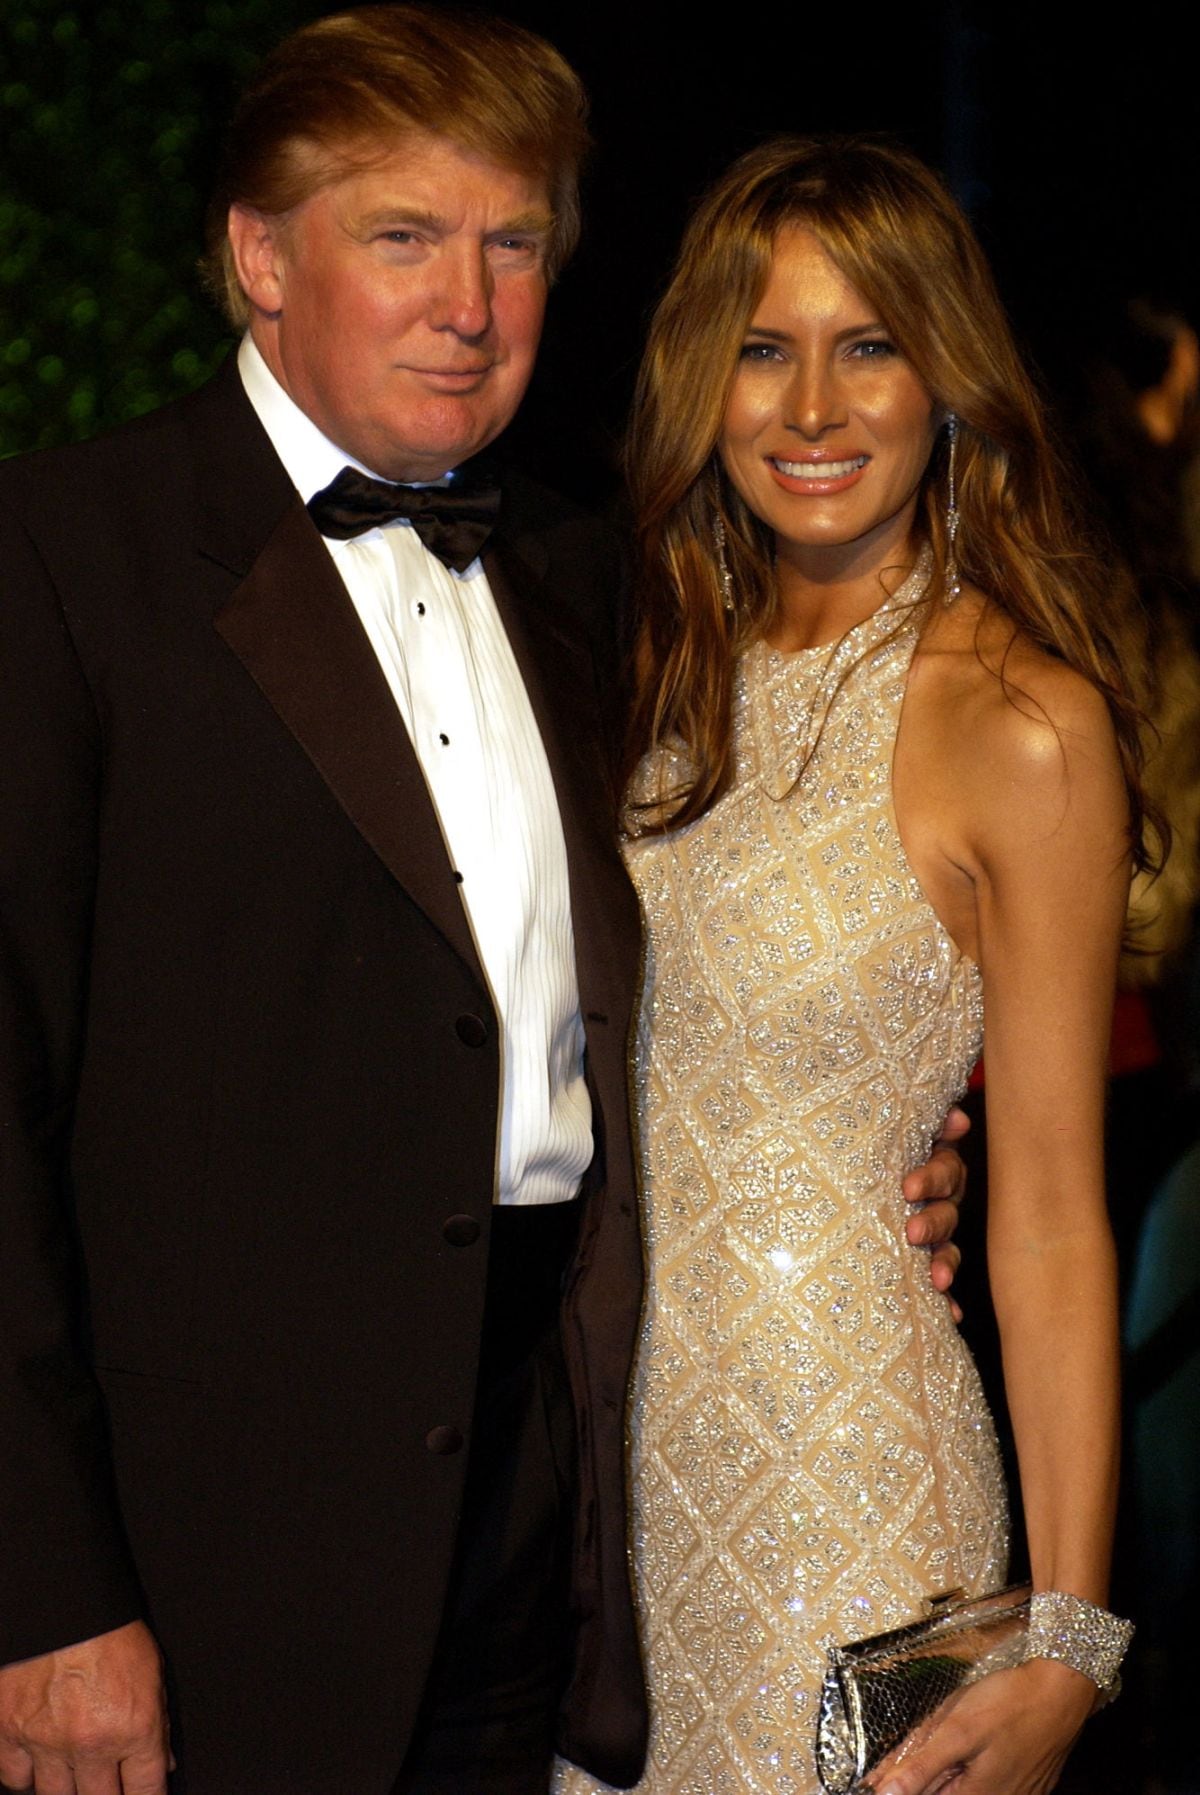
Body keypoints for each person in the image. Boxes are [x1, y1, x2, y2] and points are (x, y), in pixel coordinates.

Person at [0, 23, 970, 1795]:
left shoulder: (588, 575)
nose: (469, 300)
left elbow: (726, 941)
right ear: (259, 256)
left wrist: (876, 1131)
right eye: (403, 238)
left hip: (556, 1513)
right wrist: (41, 1594)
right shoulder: (66, 557)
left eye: (513, 243)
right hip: (212, 1569)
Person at [554, 137, 1141, 1795]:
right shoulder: (652, 680)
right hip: (610, 1529)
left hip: (855, 1501)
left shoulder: (1021, 723)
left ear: (948, 375)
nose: (812, 404)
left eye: (869, 343)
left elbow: (1042, 1212)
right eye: (762, 346)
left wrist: (1074, 1644)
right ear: (701, 383)